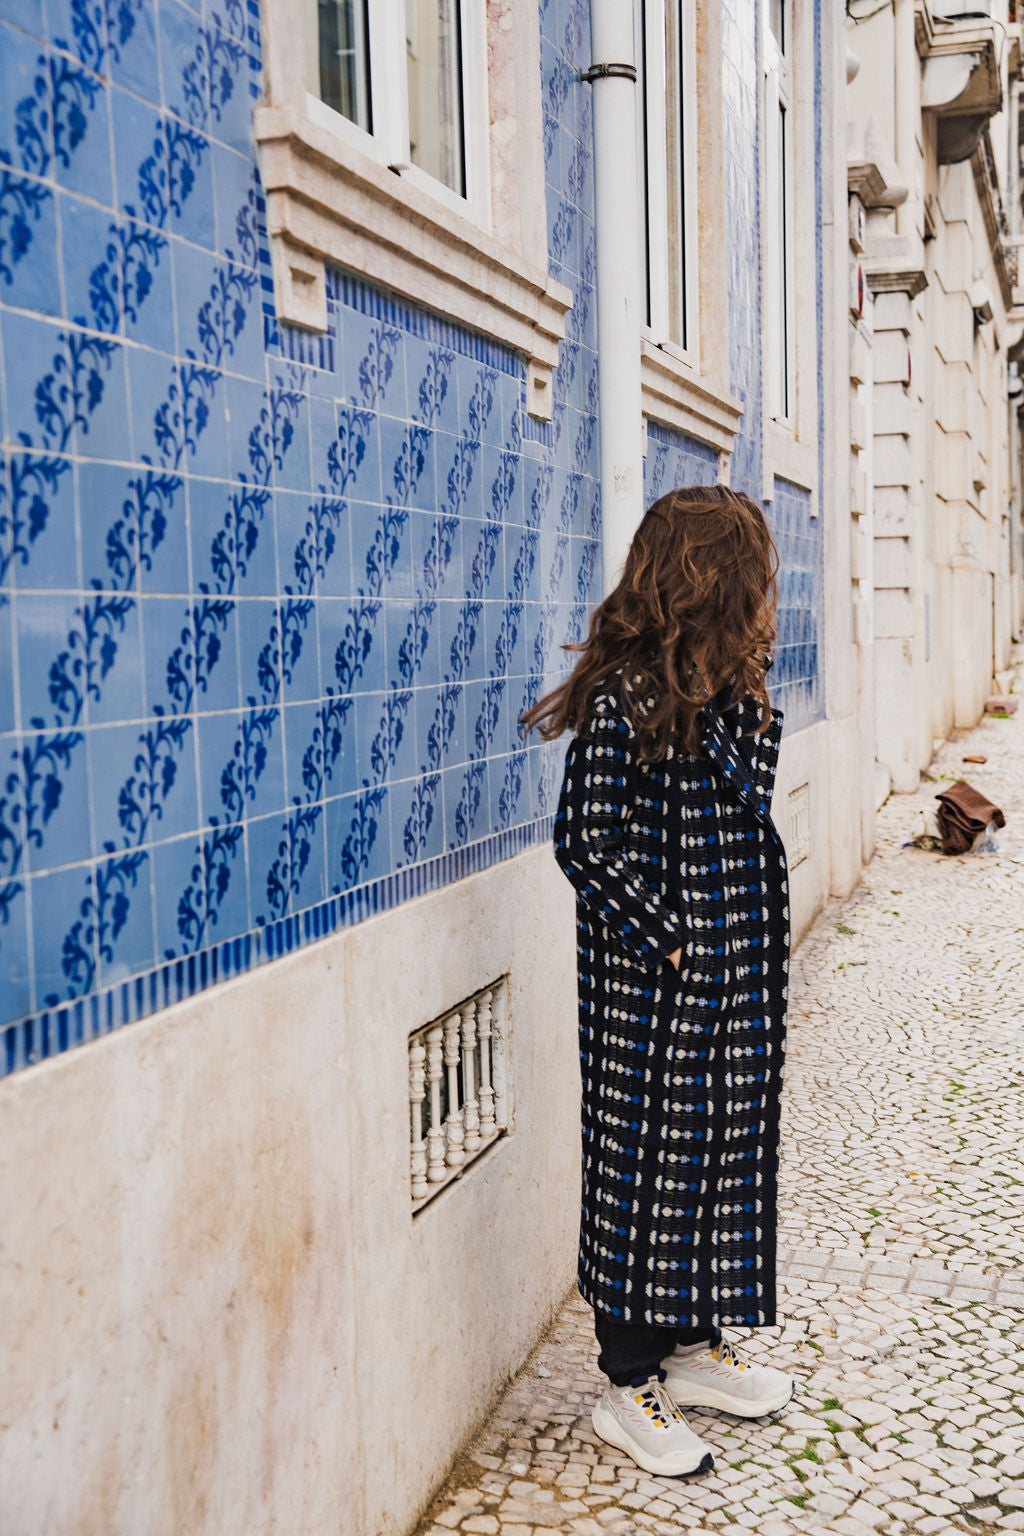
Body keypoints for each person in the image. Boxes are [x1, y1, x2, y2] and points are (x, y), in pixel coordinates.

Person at [522, 484, 794, 1478]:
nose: (764, 595)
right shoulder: (621, 697)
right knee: (643, 1174)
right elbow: (587, 846)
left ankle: (687, 1351)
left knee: (715, 1160)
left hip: (734, 984)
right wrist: (676, 946)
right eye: (750, 577)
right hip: (652, 992)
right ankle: (625, 1382)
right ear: (707, 583)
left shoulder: (735, 693)